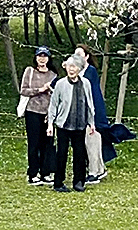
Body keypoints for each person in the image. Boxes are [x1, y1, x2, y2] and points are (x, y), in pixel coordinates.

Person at [45, 54, 96, 193]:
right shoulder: (61, 84)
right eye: (69, 66)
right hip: (64, 125)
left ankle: (79, 181)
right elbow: (53, 105)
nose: (71, 69)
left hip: (80, 125)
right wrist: (50, 124)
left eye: (74, 66)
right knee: (61, 153)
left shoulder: (86, 83)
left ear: (79, 69)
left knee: (80, 154)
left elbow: (89, 104)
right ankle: (58, 182)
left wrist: (92, 122)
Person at [72, 45, 116, 182]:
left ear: (86, 57)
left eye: (80, 55)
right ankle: (99, 169)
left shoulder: (89, 71)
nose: (77, 58)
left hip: (92, 114)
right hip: (81, 114)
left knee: (92, 141)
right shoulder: (77, 72)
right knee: (89, 142)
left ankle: (94, 172)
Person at [17, 47, 57, 185]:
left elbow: (55, 96)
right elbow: (23, 90)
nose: (42, 59)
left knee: (47, 143)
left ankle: (46, 172)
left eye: (45, 56)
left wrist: (51, 114)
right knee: (33, 143)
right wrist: (40, 90)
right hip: (32, 111)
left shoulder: (53, 75)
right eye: (39, 56)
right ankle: (33, 173)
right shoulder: (30, 71)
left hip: (47, 113)